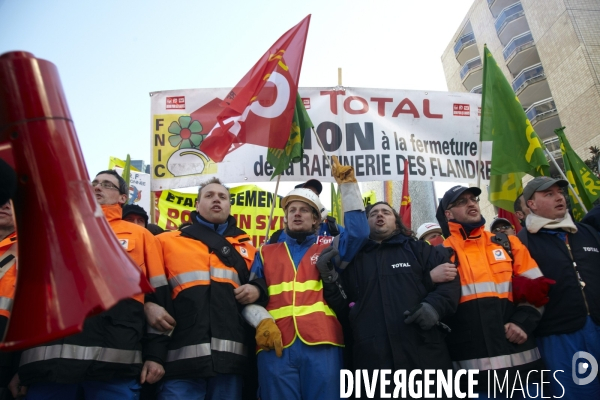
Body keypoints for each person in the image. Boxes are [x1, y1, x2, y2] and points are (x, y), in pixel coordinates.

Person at [18, 170, 173, 400]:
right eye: (94, 183)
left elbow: (158, 299)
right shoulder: (56, 232)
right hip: (49, 368)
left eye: (107, 185)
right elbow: (34, 303)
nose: (97, 187)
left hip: (113, 365)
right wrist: (18, 368)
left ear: (123, 197)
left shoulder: (140, 236)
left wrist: (156, 356)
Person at [236, 156, 369, 400]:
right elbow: (248, 298)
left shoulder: (329, 245)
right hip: (275, 344)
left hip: (323, 343)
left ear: (317, 219)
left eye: (305, 210)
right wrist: (261, 322)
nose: (297, 214)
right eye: (292, 210)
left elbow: (360, 233)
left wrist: (348, 187)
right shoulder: (264, 252)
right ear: (284, 217)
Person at [321, 201, 460, 398]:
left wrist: (434, 307)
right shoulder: (352, 260)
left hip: (423, 354)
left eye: (386, 212)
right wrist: (330, 280)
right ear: (365, 223)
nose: (380, 215)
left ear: (396, 221)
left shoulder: (420, 249)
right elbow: (342, 307)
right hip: (373, 360)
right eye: (373, 213)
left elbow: (450, 281)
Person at [436, 185, 546, 398]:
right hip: (472, 376)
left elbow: (537, 287)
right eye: (462, 201)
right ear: (448, 214)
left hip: (523, 368)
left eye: (473, 199)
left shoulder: (508, 243)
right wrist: (429, 277)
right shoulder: (438, 254)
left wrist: (523, 322)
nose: (471, 203)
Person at [155, 177, 257, 399]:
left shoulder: (249, 249)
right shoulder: (165, 241)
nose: (216, 200)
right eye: (209, 195)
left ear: (230, 205)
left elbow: (264, 288)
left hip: (230, 361)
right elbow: (147, 288)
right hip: (180, 360)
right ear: (197, 204)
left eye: (222, 196)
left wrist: (257, 290)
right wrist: (148, 307)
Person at [518, 176, 600, 397]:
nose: (559, 198)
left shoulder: (586, 233)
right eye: (548, 194)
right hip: (560, 337)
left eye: (559, 193)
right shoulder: (521, 243)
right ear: (531, 204)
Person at [268, 178, 343, 243]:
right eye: (308, 194)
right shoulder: (277, 237)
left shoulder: (334, 230)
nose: (297, 214)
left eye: (315, 195)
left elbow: (353, 240)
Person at [0, 201, 20, 400]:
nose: (4, 205)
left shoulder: (34, 249)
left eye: (11, 201)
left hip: (6, 358)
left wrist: (22, 368)